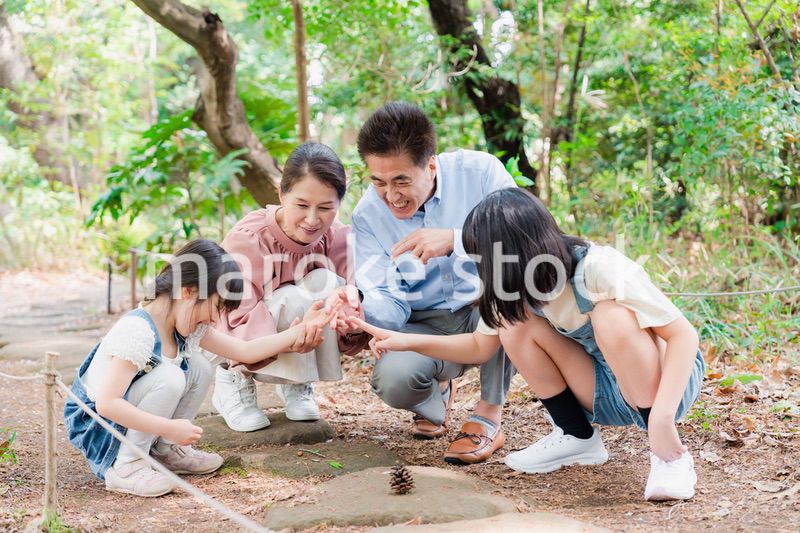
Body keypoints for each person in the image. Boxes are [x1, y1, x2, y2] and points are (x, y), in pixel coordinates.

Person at [350, 188, 705, 501]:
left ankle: (669, 458)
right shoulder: (513, 289)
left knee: (610, 316)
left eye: (485, 260)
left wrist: (661, 418)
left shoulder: (598, 267)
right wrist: (406, 340)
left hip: (666, 387)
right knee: (512, 324)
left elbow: (683, 337)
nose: (481, 268)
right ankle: (577, 437)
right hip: (606, 388)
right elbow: (479, 347)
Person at [64, 239, 336, 497]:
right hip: (98, 426)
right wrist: (168, 426)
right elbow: (107, 404)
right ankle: (127, 467)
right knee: (170, 376)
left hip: (122, 417)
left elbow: (245, 350)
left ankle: (163, 452)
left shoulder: (186, 326)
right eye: (215, 306)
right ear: (188, 291)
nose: (214, 318)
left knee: (199, 367)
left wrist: (300, 331)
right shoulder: (137, 330)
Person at [351, 101, 517, 464]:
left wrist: (458, 240)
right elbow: (388, 305)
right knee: (394, 381)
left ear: (430, 165)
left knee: (510, 289)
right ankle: (438, 388)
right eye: (378, 181)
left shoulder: (481, 172)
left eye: (401, 181)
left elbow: (524, 239)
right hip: (426, 324)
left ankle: (489, 412)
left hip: (487, 311)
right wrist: (357, 303)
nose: (390, 196)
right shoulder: (367, 216)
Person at [211, 142, 368, 432]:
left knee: (332, 285)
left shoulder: (335, 236)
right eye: (301, 205)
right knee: (295, 297)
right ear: (282, 194)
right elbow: (232, 315)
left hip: (296, 325)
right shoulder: (250, 238)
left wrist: (349, 306)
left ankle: (297, 382)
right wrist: (293, 335)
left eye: (325, 208)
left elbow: (356, 286)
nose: (312, 219)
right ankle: (232, 380)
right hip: (235, 333)